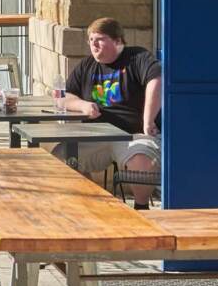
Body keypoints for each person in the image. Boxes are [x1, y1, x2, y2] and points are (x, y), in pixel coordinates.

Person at [61, 17, 163, 194]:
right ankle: (93, 204)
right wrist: (83, 105)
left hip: (132, 135)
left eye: (99, 39)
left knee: (142, 160)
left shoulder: (137, 57)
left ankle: (141, 208)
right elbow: (64, 97)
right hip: (96, 136)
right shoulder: (86, 65)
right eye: (91, 40)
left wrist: (148, 120)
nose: (94, 45)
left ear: (117, 40)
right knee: (61, 157)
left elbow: (156, 79)